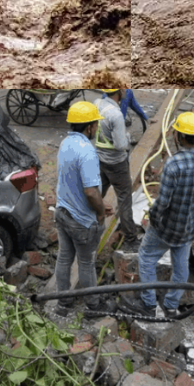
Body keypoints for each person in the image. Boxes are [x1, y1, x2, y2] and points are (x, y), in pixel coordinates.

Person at [128, 112, 194, 319]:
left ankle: (149, 304)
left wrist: (153, 219)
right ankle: (170, 305)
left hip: (166, 227)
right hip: (187, 228)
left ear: (179, 137)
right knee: (180, 267)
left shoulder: (174, 165)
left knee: (147, 258)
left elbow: (163, 201)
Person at [52, 101, 111, 317]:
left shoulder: (66, 143)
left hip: (62, 212)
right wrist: (101, 212)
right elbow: (90, 192)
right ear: (90, 127)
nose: (96, 128)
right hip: (81, 221)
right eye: (96, 124)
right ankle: (93, 306)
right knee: (86, 262)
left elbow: (75, 183)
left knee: (64, 257)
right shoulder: (88, 152)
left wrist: (100, 203)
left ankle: (62, 303)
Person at [94, 89, 140, 245]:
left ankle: (88, 226)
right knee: (124, 200)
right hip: (117, 163)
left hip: (100, 159)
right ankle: (131, 239)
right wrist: (127, 137)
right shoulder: (116, 114)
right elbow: (121, 145)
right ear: (119, 92)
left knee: (97, 193)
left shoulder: (97, 104)